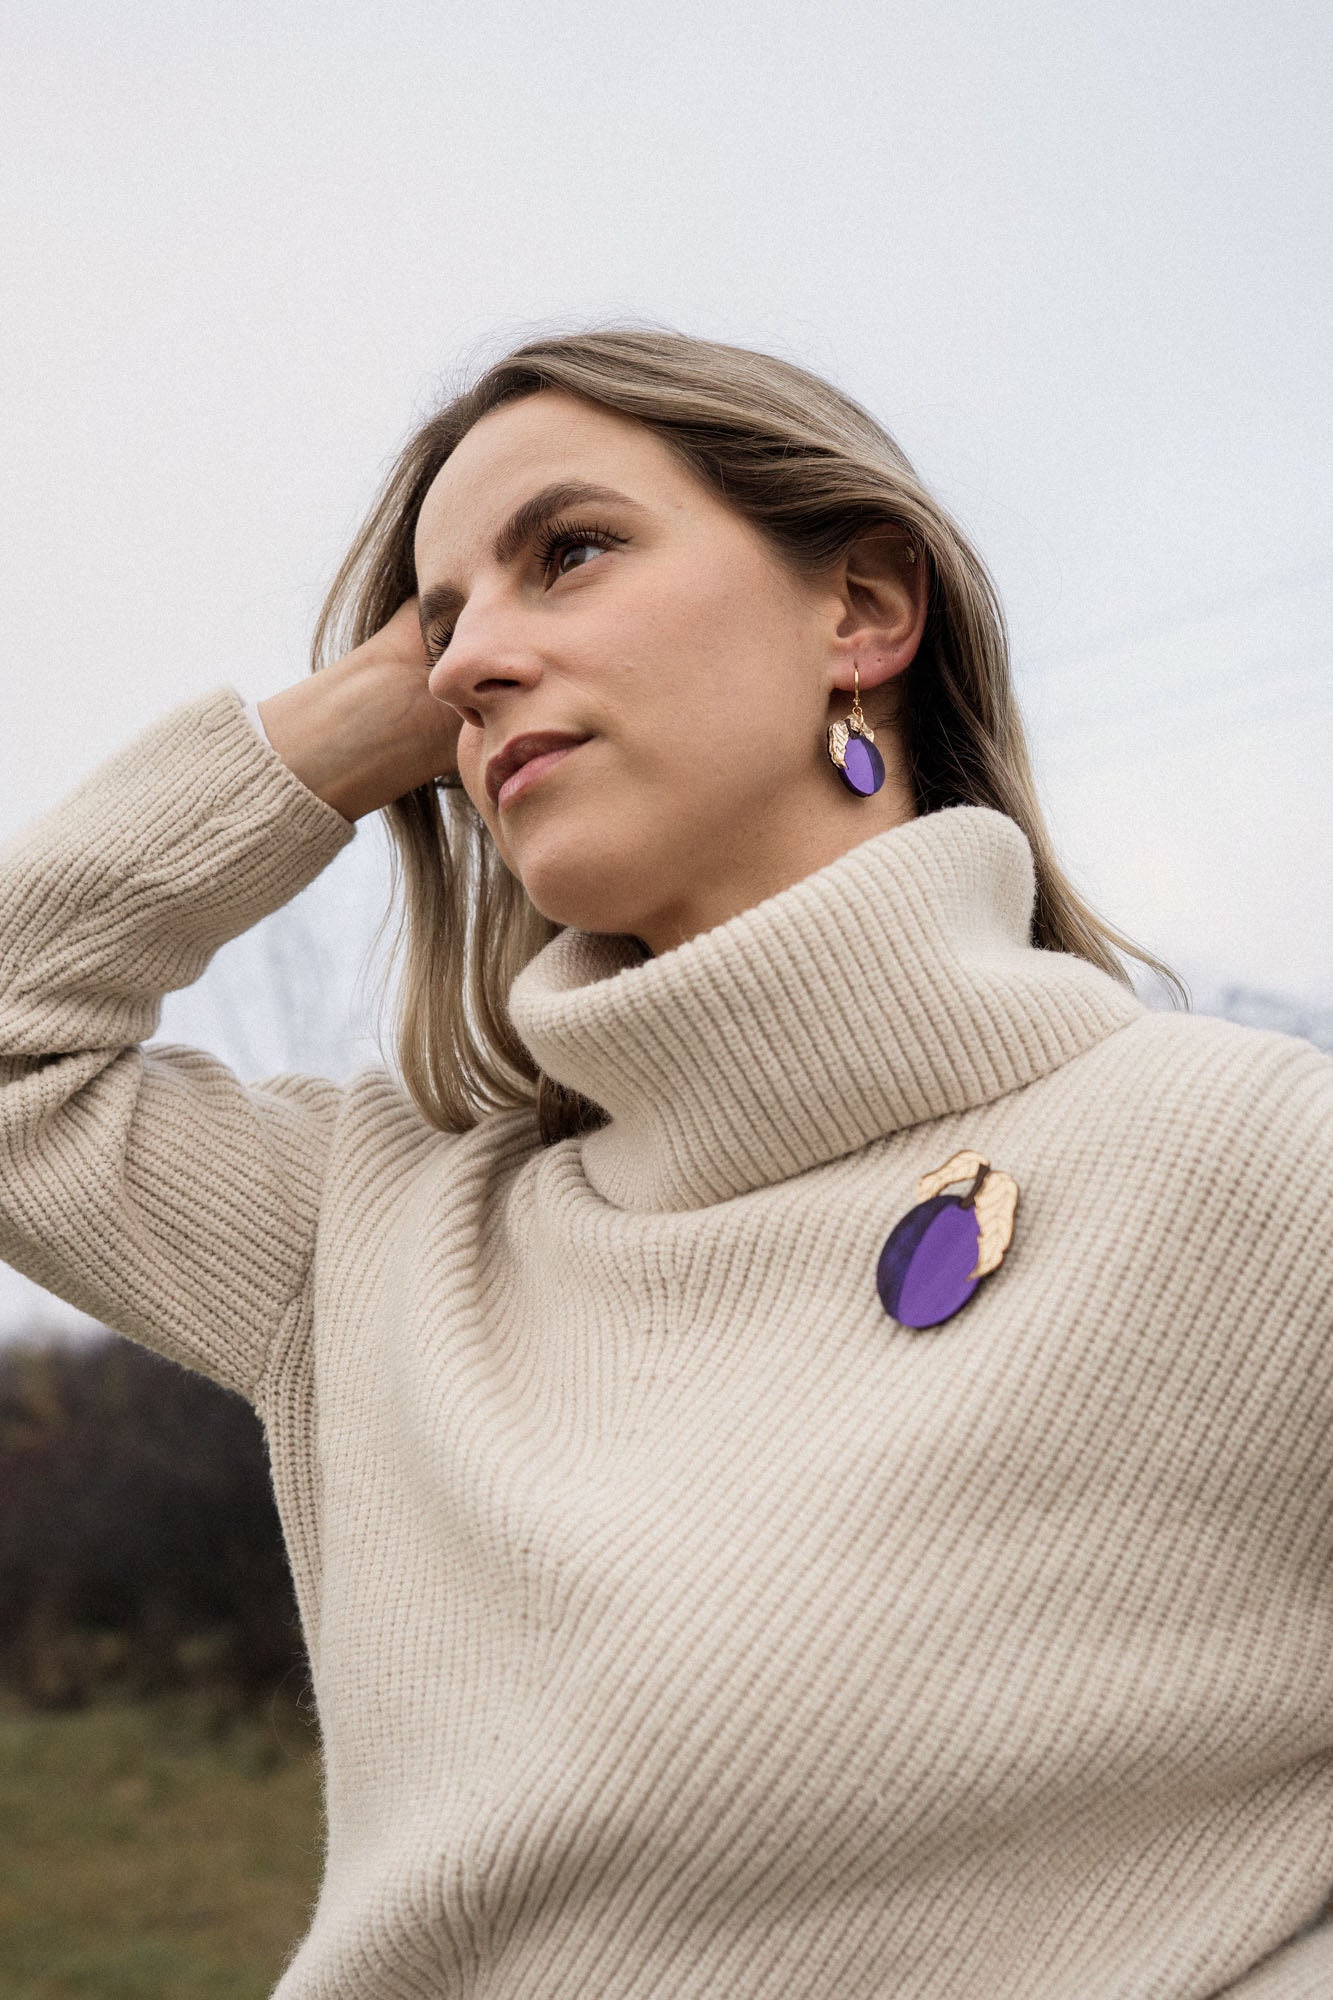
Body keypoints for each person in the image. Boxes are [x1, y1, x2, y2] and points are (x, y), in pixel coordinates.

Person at [1, 327, 1329, 2000]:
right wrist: (344, 728)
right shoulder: (379, 1230)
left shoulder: (1256, 1165)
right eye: (441, 622)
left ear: (859, 611)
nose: (472, 661)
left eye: (569, 553)